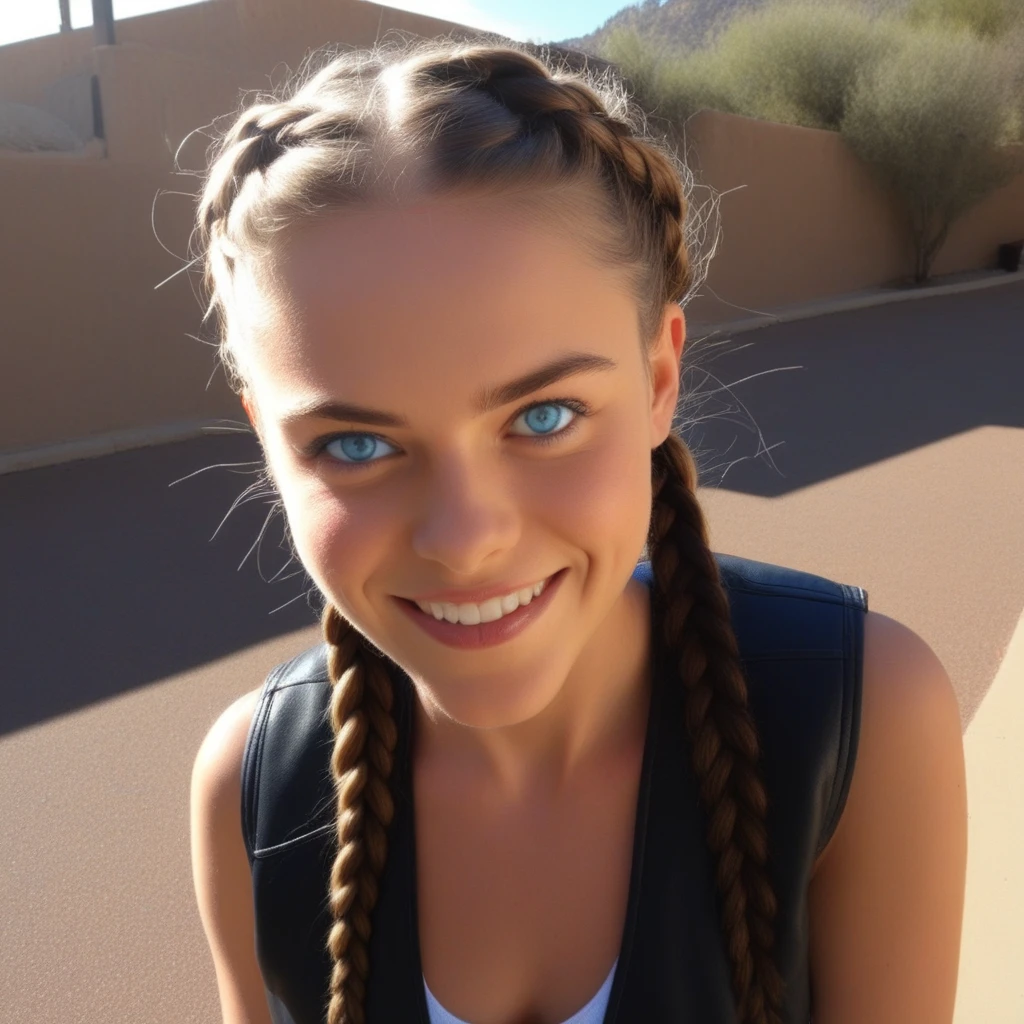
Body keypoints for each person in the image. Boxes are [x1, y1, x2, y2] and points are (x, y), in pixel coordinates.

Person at [188, 36, 967, 1024]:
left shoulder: (855, 716)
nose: (465, 538)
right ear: (268, 439)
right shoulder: (249, 791)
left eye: (543, 417)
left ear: (655, 382)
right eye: (353, 445)